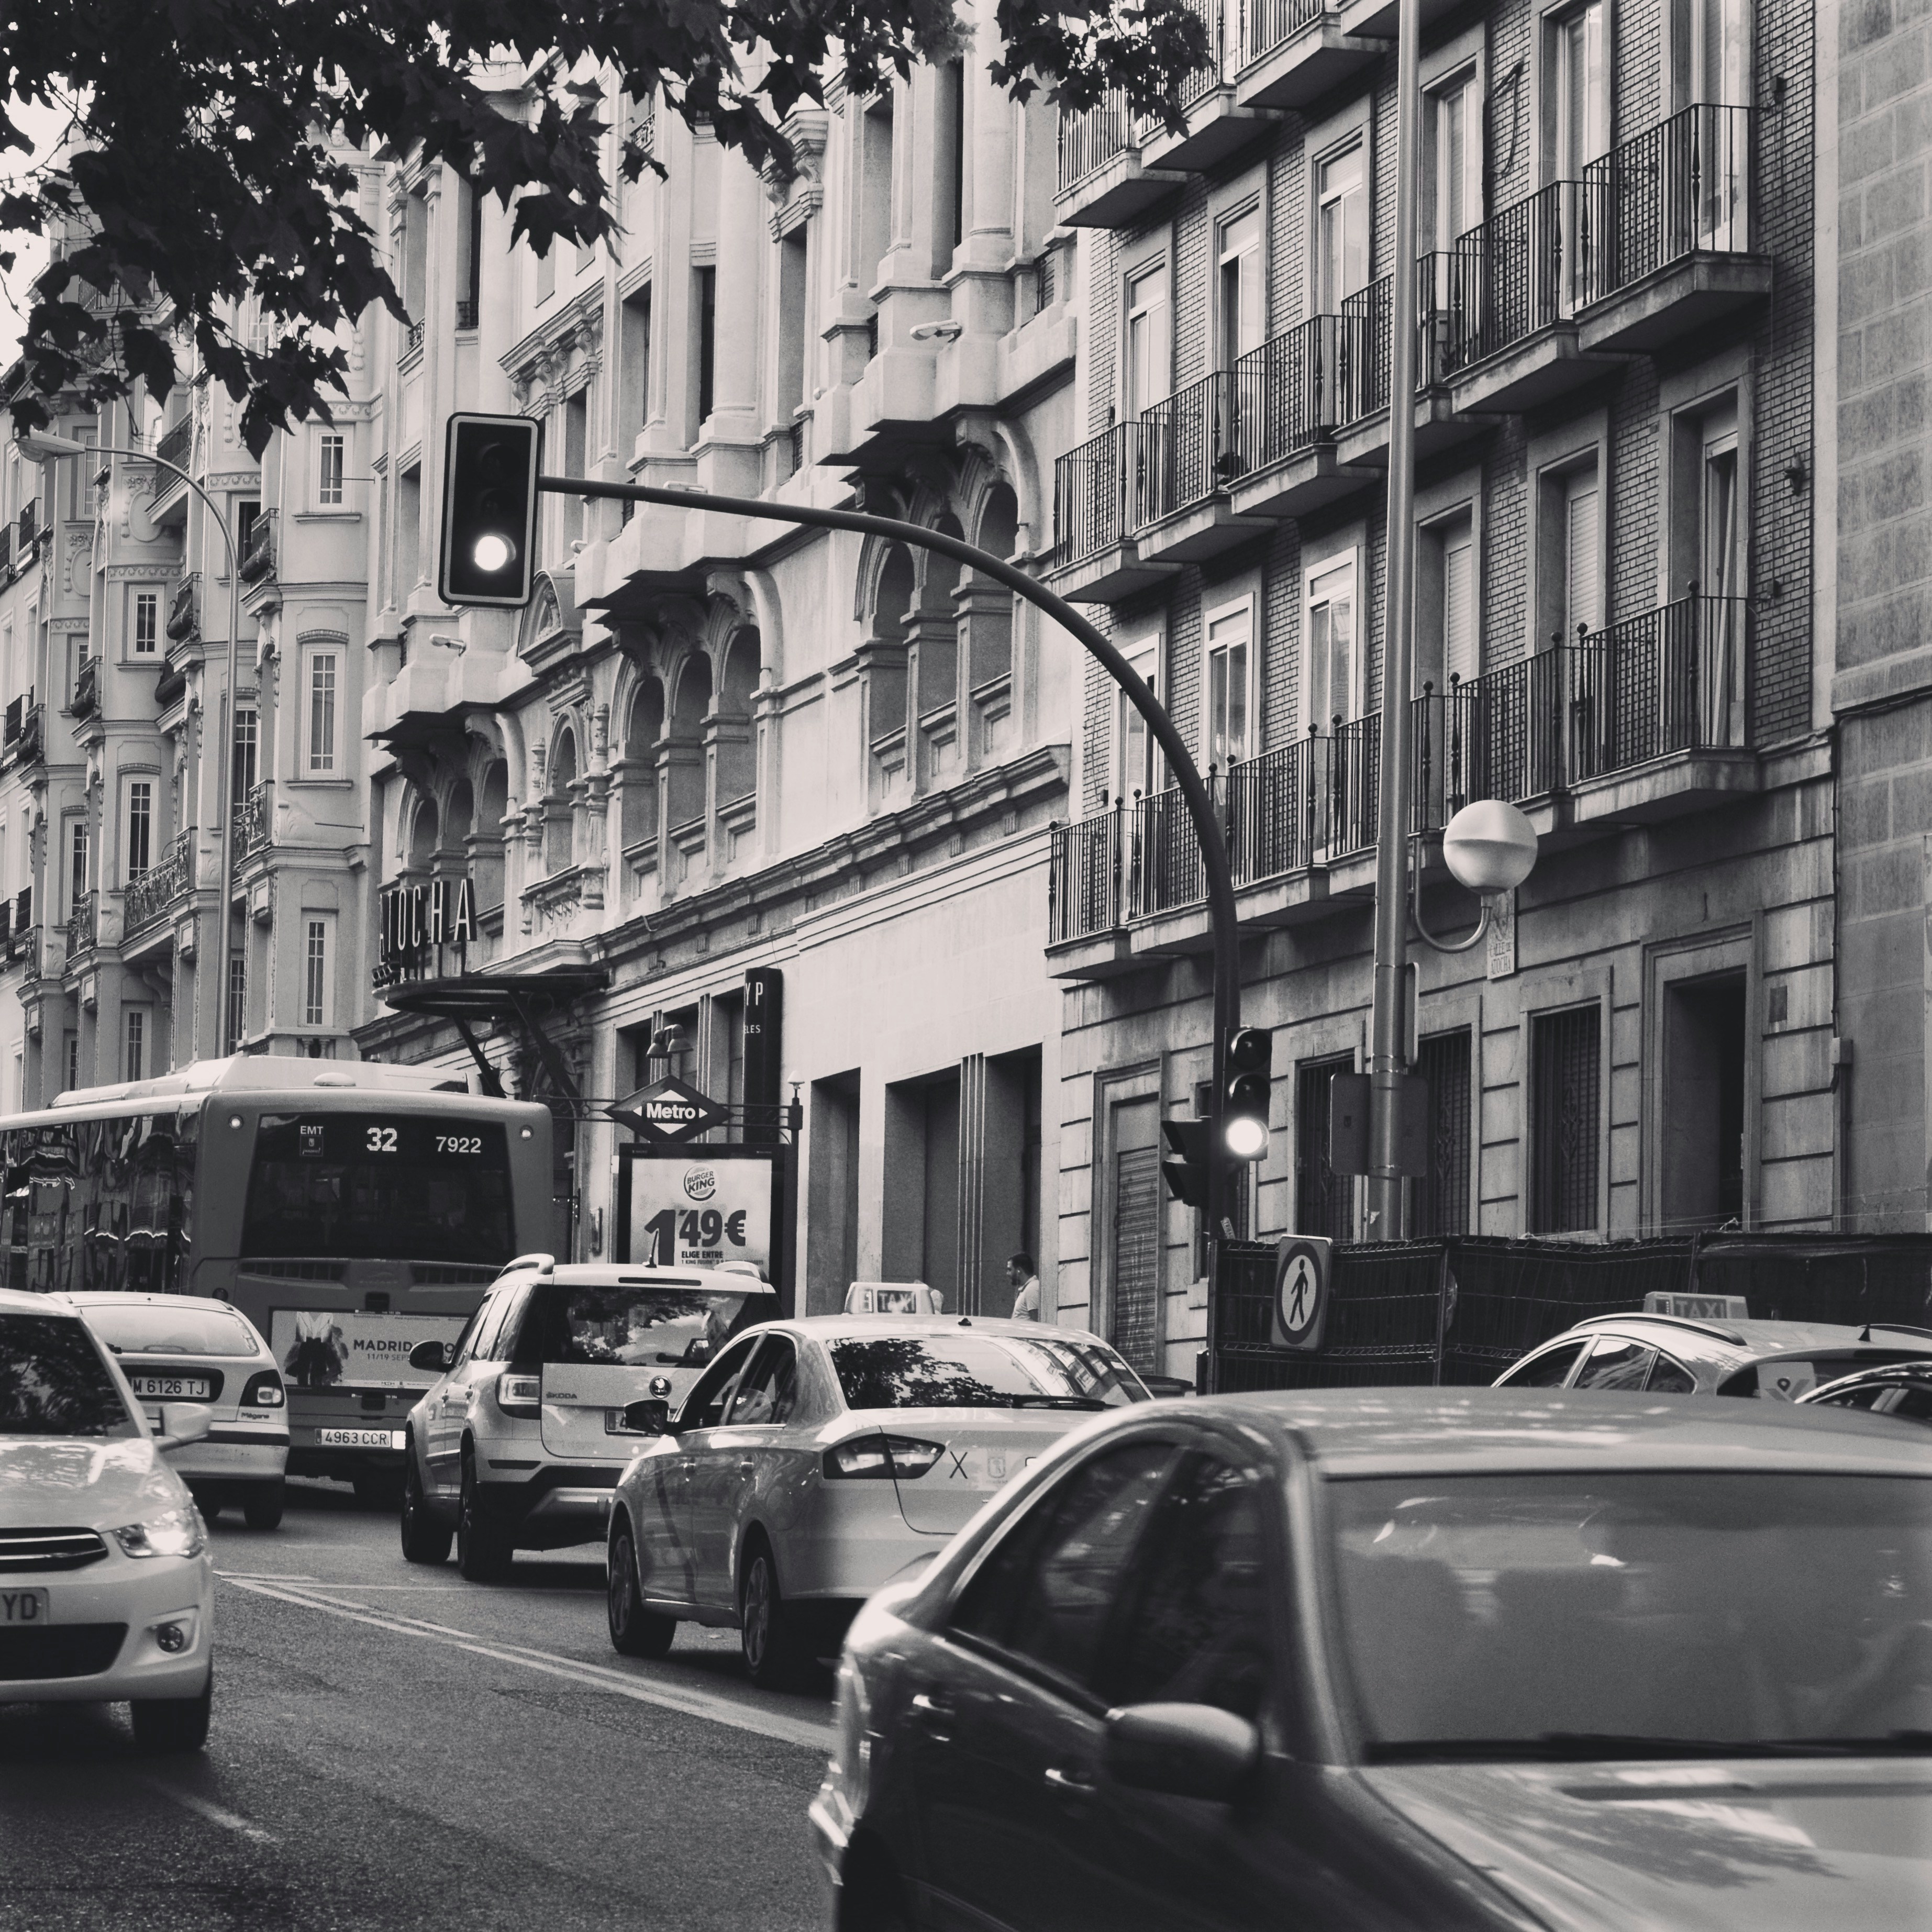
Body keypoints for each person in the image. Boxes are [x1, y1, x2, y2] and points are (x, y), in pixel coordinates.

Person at [1007, 1251, 1040, 1320]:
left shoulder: (1032, 1289)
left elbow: (1037, 1322)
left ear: (1019, 1270)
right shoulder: (1027, 1288)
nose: (1007, 1274)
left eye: (1010, 1270)